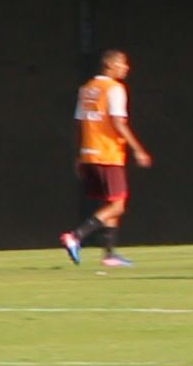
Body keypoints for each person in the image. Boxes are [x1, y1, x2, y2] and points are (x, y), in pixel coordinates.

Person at [59, 49, 152, 267]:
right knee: (118, 206)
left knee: (109, 203)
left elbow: (79, 123)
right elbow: (118, 122)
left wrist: (79, 155)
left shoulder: (87, 89)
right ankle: (76, 236)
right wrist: (138, 149)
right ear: (110, 66)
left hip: (89, 154)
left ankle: (109, 254)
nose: (126, 68)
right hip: (108, 153)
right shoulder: (115, 89)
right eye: (122, 64)